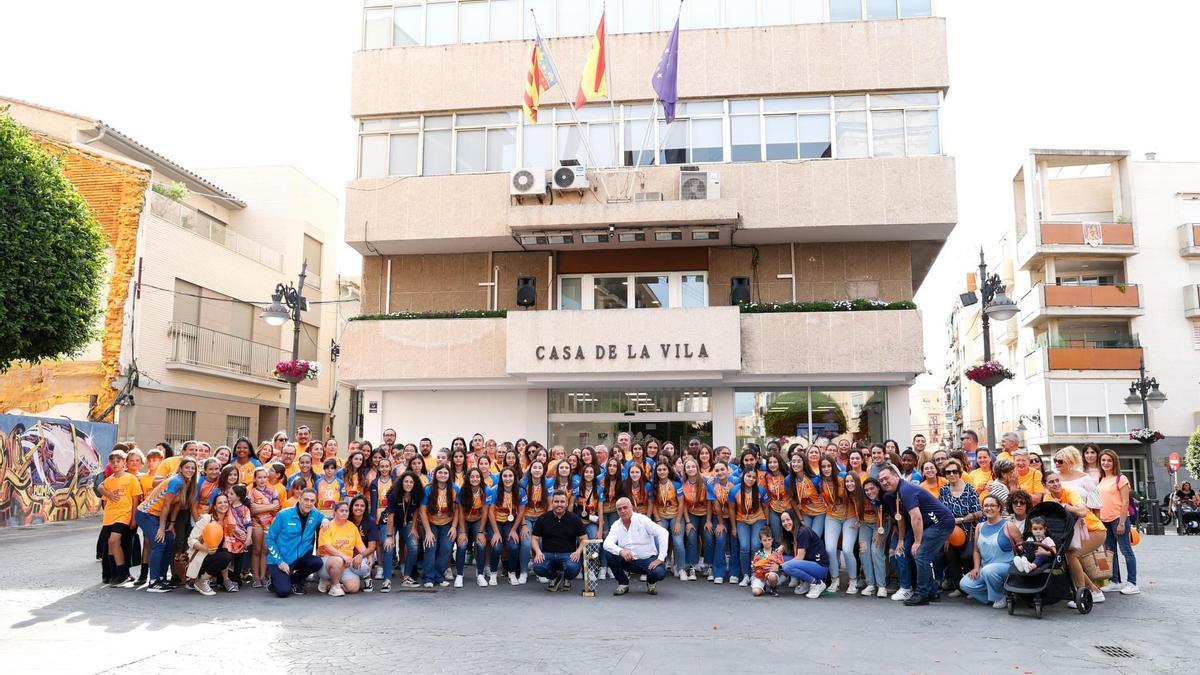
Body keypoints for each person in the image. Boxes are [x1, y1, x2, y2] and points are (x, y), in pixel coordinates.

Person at [878, 464, 955, 606]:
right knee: (918, 555)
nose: (884, 482)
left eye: (886, 478)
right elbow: (900, 518)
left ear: (896, 476)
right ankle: (932, 591)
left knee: (921, 554)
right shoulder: (895, 493)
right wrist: (902, 539)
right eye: (881, 480)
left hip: (940, 523)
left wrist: (917, 542)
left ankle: (922, 593)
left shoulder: (905, 490)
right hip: (930, 525)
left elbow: (916, 517)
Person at [1043, 473, 1107, 608]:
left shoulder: (1070, 493)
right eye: (1051, 482)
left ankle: (1081, 592)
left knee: (1071, 556)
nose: (1055, 484)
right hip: (1075, 534)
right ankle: (1094, 591)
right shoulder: (1047, 498)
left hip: (1094, 530)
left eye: (1057, 480)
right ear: (1046, 485)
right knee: (1067, 558)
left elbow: (1082, 512)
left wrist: (1064, 506)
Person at [136, 456, 197, 592]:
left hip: (158, 516)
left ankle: (162, 578)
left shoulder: (187, 482)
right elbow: (166, 506)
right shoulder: (176, 481)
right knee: (160, 542)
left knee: (170, 541)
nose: (190, 470)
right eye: (187, 467)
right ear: (180, 469)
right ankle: (153, 582)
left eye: (193, 468)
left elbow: (177, 505)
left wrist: (172, 524)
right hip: (146, 514)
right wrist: (162, 528)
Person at [264, 488, 325, 597]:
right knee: (283, 592)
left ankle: (293, 580)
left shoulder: (315, 514)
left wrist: (325, 520)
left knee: (317, 562)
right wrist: (280, 562)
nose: (309, 503)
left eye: (312, 501)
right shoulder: (283, 515)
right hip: (281, 560)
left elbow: (326, 517)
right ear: (299, 499)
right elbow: (270, 539)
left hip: (299, 558)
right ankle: (274, 580)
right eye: (306, 500)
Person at [603, 497, 669, 596]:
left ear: (631, 507)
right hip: (628, 560)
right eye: (619, 509)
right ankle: (623, 583)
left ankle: (651, 582)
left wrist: (660, 558)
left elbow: (663, 532)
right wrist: (621, 551)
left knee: (659, 573)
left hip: (647, 560)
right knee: (609, 554)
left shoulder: (642, 520)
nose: (623, 511)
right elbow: (607, 543)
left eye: (625, 507)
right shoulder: (616, 525)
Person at [958, 494, 1014, 608]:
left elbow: (1020, 547)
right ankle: (1000, 596)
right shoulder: (979, 526)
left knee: (989, 571)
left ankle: (999, 597)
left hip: (1006, 566)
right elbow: (976, 551)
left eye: (992, 505)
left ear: (999, 508)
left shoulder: (1008, 526)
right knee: (965, 584)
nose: (989, 508)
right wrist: (976, 568)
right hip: (985, 569)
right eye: (986, 506)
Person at [99, 448, 143, 587]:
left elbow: (135, 500)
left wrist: (134, 519)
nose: (115, 464)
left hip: (124, 515)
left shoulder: (131, 478)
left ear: (124, 462)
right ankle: (117, 573)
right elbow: (105, 500)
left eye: (118, 461)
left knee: (114, 541)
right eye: (113, 462)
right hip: (109, 516)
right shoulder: (108, 481)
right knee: (111, 546)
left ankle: (123, 573)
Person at [1097, 450, 1139, 595]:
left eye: (1109, 460)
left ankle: (1132, 583)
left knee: (1126, 551)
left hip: (1118, 520)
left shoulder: (1121, 478)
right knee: (1111, 552)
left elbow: (1125, 501)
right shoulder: (1101, 479)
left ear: (1114, 462)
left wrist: (1122, 522)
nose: (1106, 463)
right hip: (1104, 520)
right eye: (1103, 460)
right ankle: (1114, 581)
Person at [938, 458, 981, 595]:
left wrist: (959, 520)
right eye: (948, 472)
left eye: (954, 471)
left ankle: (970, 587)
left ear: (959, 472)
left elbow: (978, 512)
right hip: (950, 531)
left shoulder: (969, 489)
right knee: (952, 557)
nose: (951, 474)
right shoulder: (944, 490)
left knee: (968, 557)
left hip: (969, 529)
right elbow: (941, 513)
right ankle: (958, 587)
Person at [530, 490, 588, 592]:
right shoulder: (543, 518)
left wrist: (578, 552)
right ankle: (554, 577)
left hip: (568, 555)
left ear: (566, 503)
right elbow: (534, 538)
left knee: (573, 568)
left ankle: (567, 578)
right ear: (552, 503)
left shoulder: (574, 519)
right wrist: (538, 552)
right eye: (556, 502)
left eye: (562, 502)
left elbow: (584, 538)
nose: (559, 504)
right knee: (538, 567)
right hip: (548, 554)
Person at [186, 492, 236, 596]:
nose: (223, 504)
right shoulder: (206, 519)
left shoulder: (229, 521)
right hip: (201, 557)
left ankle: (218, 580)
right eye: (219, 503)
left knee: (227, 553)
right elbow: (191, 540)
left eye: (225, 502)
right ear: (214, 506)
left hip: (214, 557)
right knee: (225, 556)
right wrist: (206, 549)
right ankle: (201, 581)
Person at [317, 501, 368, 596]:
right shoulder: (327, 526)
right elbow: (327, 547)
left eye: (346, 511)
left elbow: (361, 547)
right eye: (341, 511)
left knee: (353, 588)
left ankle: (330, 582)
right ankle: (334, 586)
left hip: (346, 564)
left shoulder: (352, 527)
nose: (344, 513)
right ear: (335, 512)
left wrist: (366, 557)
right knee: (338, 560)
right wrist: (344, 556)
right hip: (327, 563)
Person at [421, 465, 459, 589]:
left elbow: (458, 510)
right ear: (435, 474)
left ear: (449, 475)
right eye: (440, 472)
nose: (443, 475)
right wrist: (427, 532)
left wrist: (453, 527)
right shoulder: (428, 489)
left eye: (445, 473)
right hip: (431, 523)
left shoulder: (454, 488)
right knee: (430, 548)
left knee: (447, 548)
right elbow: (422, 511)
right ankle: (428, 577)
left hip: (447, 523)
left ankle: (439, 576)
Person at [489, 467, 528, 585]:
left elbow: (521, 512)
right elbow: (490, 512)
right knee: (496, 546)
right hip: (495, 522)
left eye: (510, 476)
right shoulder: (494, 490)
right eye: (505, 476)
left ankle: (512, 573)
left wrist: (514, 530)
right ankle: (493, 573)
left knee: (514, 546)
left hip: (510, 522)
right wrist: (496, 532)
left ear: (514, 478)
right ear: (501, 478)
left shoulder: (520, 491)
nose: (507, 479)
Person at [456, 467, 493, 588]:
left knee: (481, 543)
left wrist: (481, 531)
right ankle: (459, 575)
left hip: (478, 520)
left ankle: (480, 574)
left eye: (477, 476)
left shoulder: (486, 490)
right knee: (462, 544)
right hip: (465, 520)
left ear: (481, 478)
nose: (475, 479)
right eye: (472, 476)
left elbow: (485, 512)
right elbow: (460, 512)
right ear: (468, 478)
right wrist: (462, 531)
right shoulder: (462, 491)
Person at [779, 510, 830, 598]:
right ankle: (806, 582)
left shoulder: (803, 531)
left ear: (794, 519)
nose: (785, 523)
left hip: (820, 567)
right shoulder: (791, 533)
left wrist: (780, 566)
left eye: (788, 519)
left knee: (786, 566)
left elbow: (799, 558)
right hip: (809, 564)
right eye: (783, 521)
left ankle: (816, 583)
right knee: (780, 558)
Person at [859, 478, 889, 598]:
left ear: (878, 487)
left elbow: (888, 516)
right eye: (866, 490)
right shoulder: (863, 498)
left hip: (881, 524)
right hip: (866, 524)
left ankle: (882, 586)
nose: (869, 492)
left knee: (876, 551)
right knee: (864, 551)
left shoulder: (885, 498)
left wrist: (879, 532)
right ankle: (870, 584)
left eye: (872, 488)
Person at [749, 528, 783, 597]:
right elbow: (754, 567)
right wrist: (759, 569)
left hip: (772, 575)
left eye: (769, 540)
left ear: (772, 540)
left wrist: (777, 567)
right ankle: (762, 587)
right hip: (760, 577)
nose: (767, 542)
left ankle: (773, 588)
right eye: (764, 540)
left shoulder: (776, 552)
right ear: (760, 541)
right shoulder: (758, 554)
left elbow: (782, 565)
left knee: (772, 576)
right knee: (756, 592)